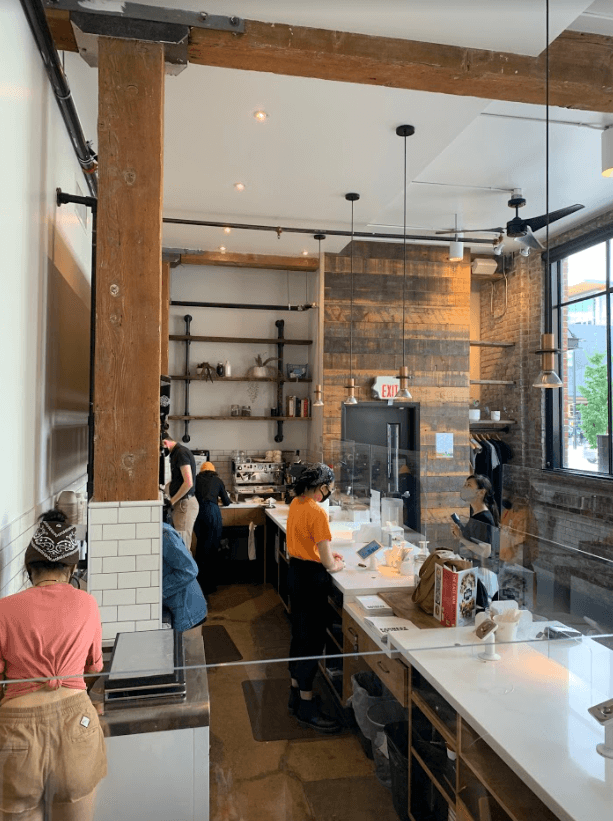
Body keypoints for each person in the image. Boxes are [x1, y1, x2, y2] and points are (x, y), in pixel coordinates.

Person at [0, 509, 106, 820]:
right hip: (77, 726)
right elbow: (94, 668)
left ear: (29, 567)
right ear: (72, 566)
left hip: (17, 732)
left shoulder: (4, 609)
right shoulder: (87, 603)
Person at [286, 463, 344, 733]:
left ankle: (295, 693)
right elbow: (328, 562)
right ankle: (307, 709)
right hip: (312, 579)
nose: (329, 492)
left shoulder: (297, 503)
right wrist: (337, 564)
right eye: (328, 488)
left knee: (299, 633)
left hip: (295, 573)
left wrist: (328, 557)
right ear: (321, 487)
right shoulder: (317, 512)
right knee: (313, 640)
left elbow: (309, 545)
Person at [451, 473, 501, 596]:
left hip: (483, 576)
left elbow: (485, 551)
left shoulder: (484, 517)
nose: (464, 488)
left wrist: (461, 538)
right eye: (465, 485)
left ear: (481, 492)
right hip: (477, 573)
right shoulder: (476, 514)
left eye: (469, 485)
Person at [162, 505, 208, 633]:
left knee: (191, 652)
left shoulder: (164, 534)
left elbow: (189, 570)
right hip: (176, 608)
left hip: (189, 612)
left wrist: (158, 591)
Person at [193, 462, 231, 596]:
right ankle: (211, 585)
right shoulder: (217, 480)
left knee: (201, 548)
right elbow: (226, 501)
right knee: (213, 548)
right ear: (213, 471)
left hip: (197, 513)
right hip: (212, 513)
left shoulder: (195, 479)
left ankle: (199, 584)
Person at [163, 436, 198, 554]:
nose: (162, 452)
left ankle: (188, 573)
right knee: (181, 546)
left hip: (184, 505)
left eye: (161, 448)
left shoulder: (181, 453)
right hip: (183, 504)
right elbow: (177, 480)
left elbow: (188, 483)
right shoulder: (176, 453)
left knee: (183, 549)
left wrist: (172, 501)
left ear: (165, 442)